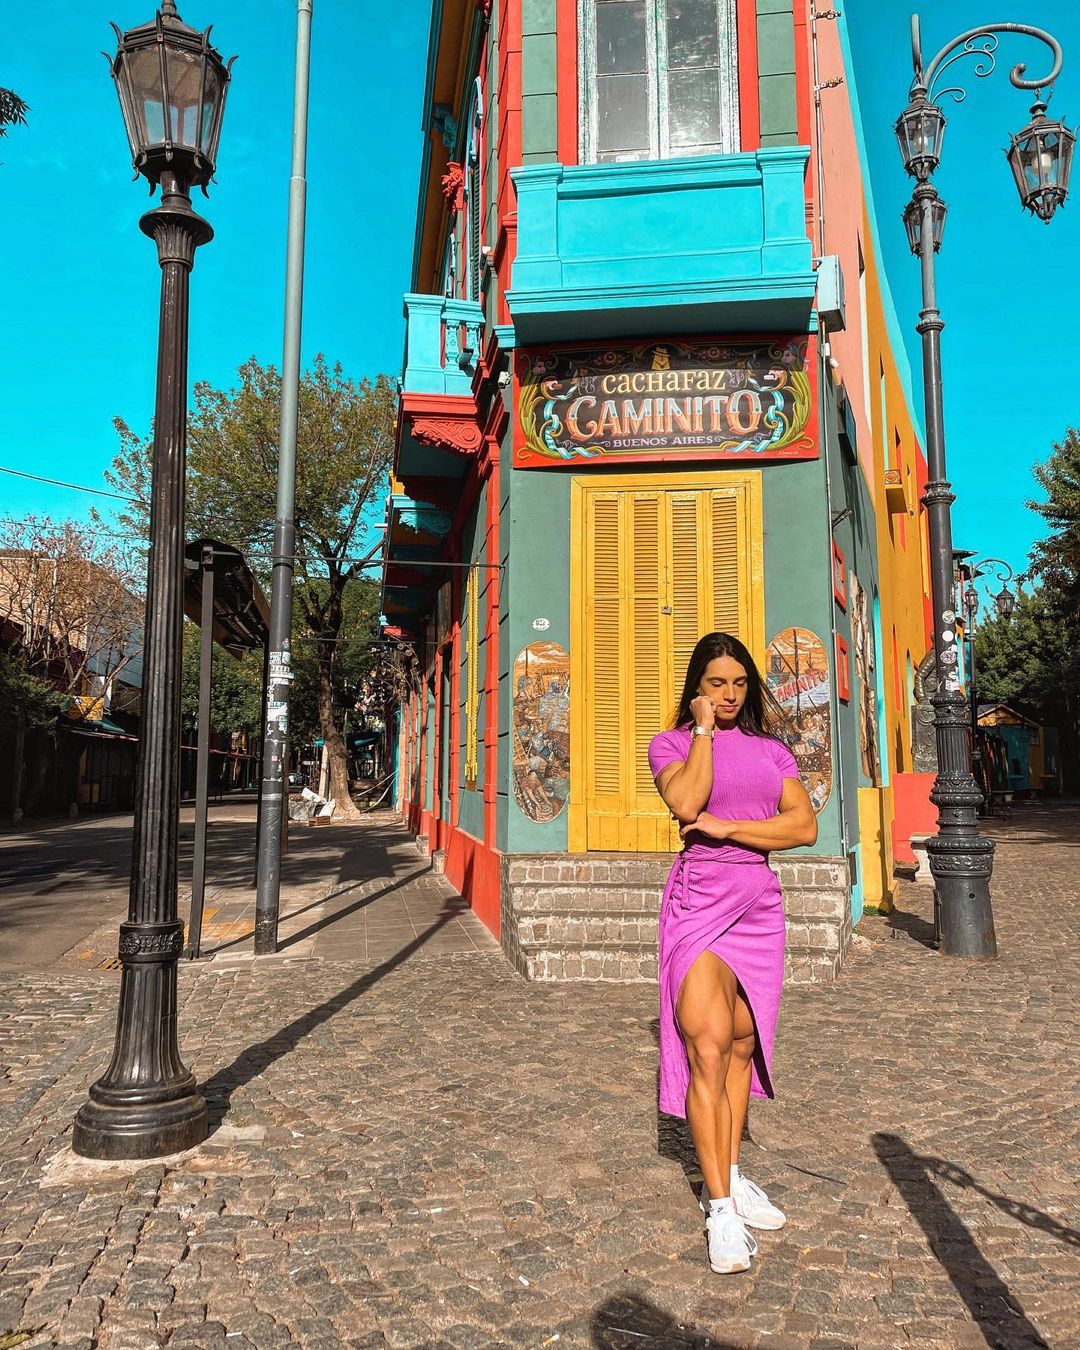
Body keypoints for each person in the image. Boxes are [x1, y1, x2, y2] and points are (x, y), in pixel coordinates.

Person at [647, 631, 817, 1275]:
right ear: (697, 686)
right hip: (699, 902)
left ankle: (734, 1175)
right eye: (717, 683)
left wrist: (732, 828)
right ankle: (719, 1208)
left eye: (739, 684)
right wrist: (701, 732)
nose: (729, 694)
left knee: (743, 1045)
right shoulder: (671, 744)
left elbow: (803, 826)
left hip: (758, 906)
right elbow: (686, 801)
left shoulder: (773, 751)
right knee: (708, 1049)